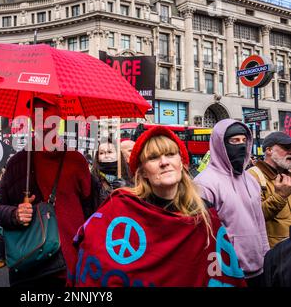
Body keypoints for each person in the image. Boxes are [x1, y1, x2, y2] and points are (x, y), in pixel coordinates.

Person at [69, 126, 245, 287]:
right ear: (143, 171)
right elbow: (95, 258)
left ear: (181, 162)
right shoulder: (120, 207)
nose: (164, 162)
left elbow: (221, 273)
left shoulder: (204, 215)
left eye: (170, 154)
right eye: (153, 157)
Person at [0, 96, 92, 287]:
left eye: (45, 109)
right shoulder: (18, 162)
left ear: (59, 114)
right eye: (34, 110)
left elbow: (92, 212)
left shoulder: (77, 161)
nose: (39, 115)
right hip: (32, 269)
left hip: (74, 268)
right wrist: (15, 214)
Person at [194, 119, 269, 287]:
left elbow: (259, 223)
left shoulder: (251, 180)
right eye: (234, 141)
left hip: (259, 270)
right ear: (221, 144)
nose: (241, 145)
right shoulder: (204, 183)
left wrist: (267, 256)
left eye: (244, 140)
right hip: (226, 272)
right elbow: (203, 235)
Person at [248, 132, 291, 248]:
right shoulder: (253, 176)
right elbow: (253, 216)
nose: (290, 151)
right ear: (269, 150)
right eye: (286, 148)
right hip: (274, 254)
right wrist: (280, 197)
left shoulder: (288, 175)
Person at [90, 140, 132, 208]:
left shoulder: (129, 173)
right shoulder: (92, 179)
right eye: (101, 153)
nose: (106, 156)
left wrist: (126, 187)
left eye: (109, 152)